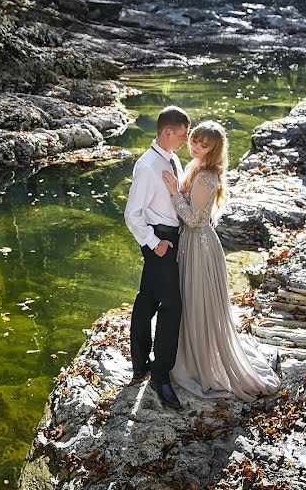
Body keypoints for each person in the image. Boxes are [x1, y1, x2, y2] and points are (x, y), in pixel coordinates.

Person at [161, 120, 282, 401]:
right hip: (192, 244)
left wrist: (173, 193)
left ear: (214, 150)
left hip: (200, 245)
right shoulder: (196, 167)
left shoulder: (206, 176)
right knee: (190, 300)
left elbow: (191, 219)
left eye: (204, 146)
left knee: (198, 301)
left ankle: (201, 361)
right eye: (194, 141)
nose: (196, 147)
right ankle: (189, 351)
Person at [124, 106, 190, 410]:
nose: (185, 140)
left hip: (170, 239)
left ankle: (140, 363)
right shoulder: (148, 166)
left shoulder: (172, 159)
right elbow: (132, 214)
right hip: (159, 241)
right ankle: (161, 374)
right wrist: (154, 243)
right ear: (167, 132)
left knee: (148, 297)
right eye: (182, 134)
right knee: (173, 305)